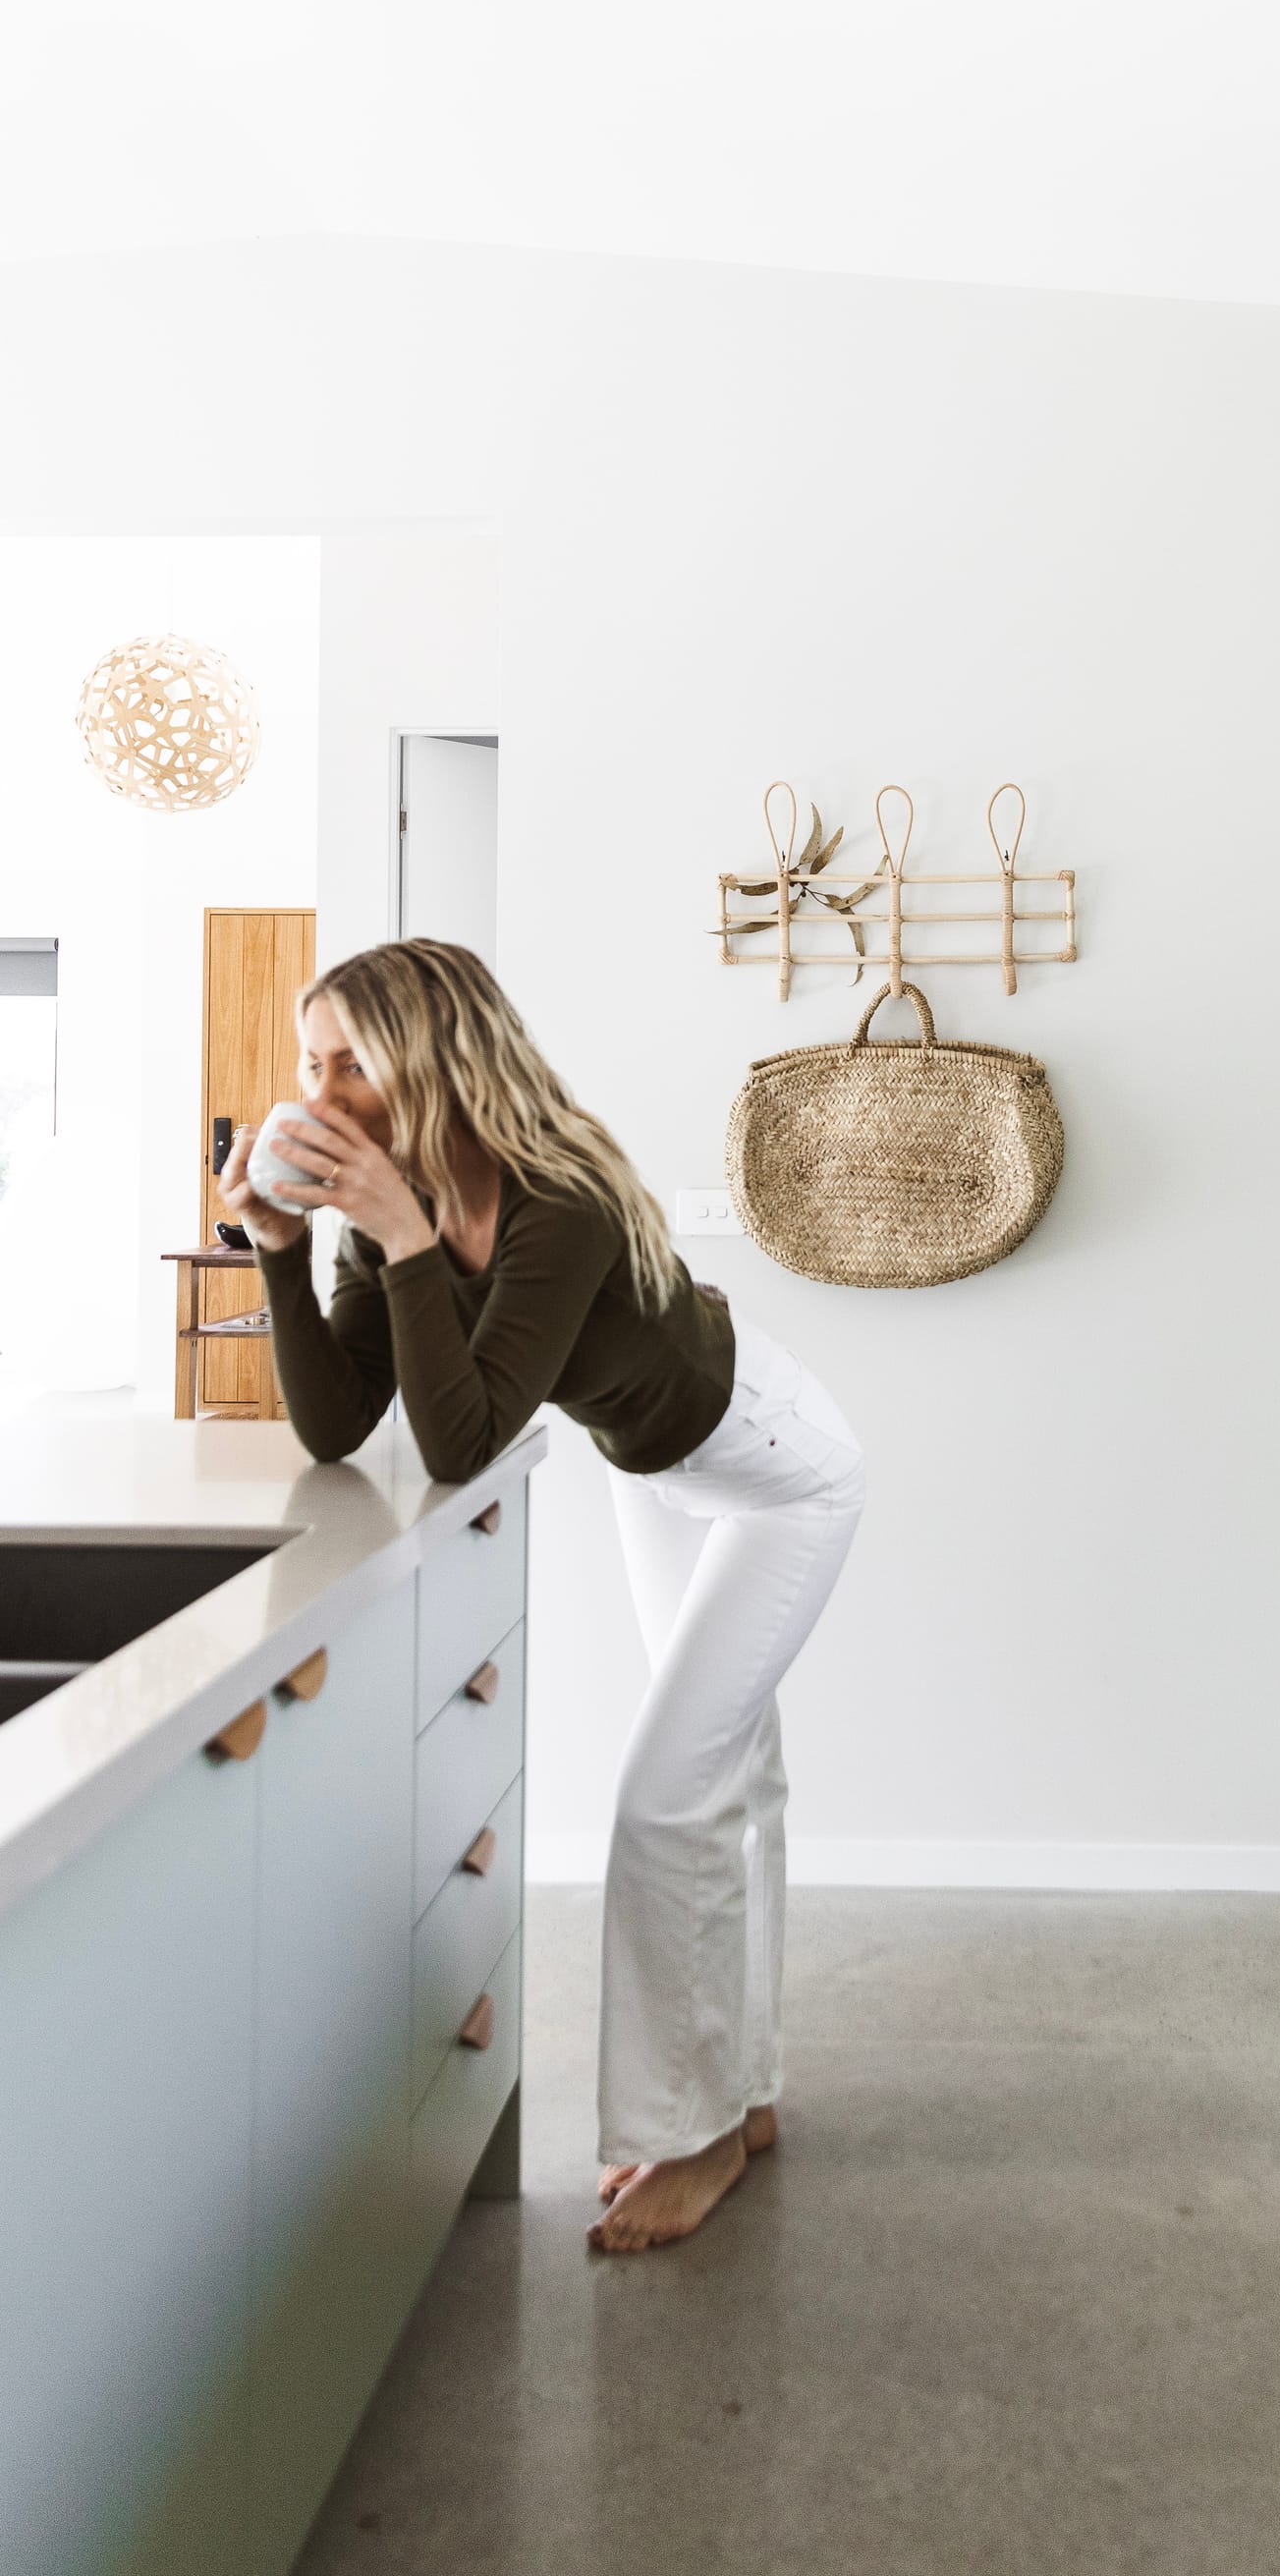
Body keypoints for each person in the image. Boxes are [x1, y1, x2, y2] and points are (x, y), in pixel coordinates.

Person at [218, 938, 864, 2252]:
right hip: (660, 1473)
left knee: (666, 1797)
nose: (325, 1094)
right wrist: (284, 1248)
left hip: (781, 1473)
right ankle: (741, 2096)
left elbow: (466, 1439)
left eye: (355, 1064)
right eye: (313, 1066)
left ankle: (685, 2138)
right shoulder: (390, 1215)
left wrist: (400, 1237)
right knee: (728, 1787)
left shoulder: (554, 1197)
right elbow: (343, 1422)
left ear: (432, 1058)